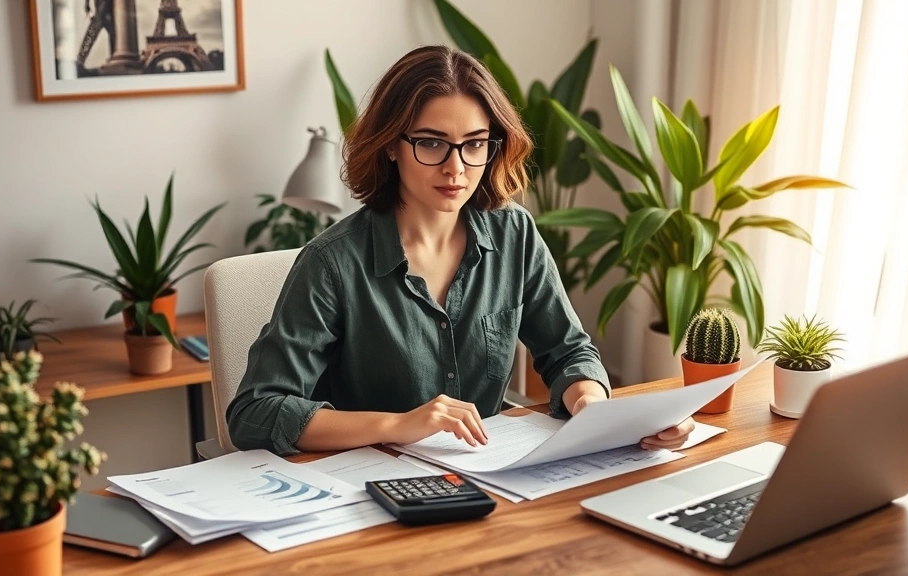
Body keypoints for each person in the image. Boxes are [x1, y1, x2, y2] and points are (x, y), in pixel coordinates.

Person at [226, 45, 694, 456]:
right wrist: (398, 425)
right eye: (432, 143)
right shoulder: (333, 263)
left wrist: (592, 407)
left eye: (475, 145)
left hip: (484, 475)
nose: (456, 168)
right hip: (368, 492)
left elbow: (567, 351)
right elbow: (256, 412)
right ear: (391, 145)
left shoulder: (514, 234)